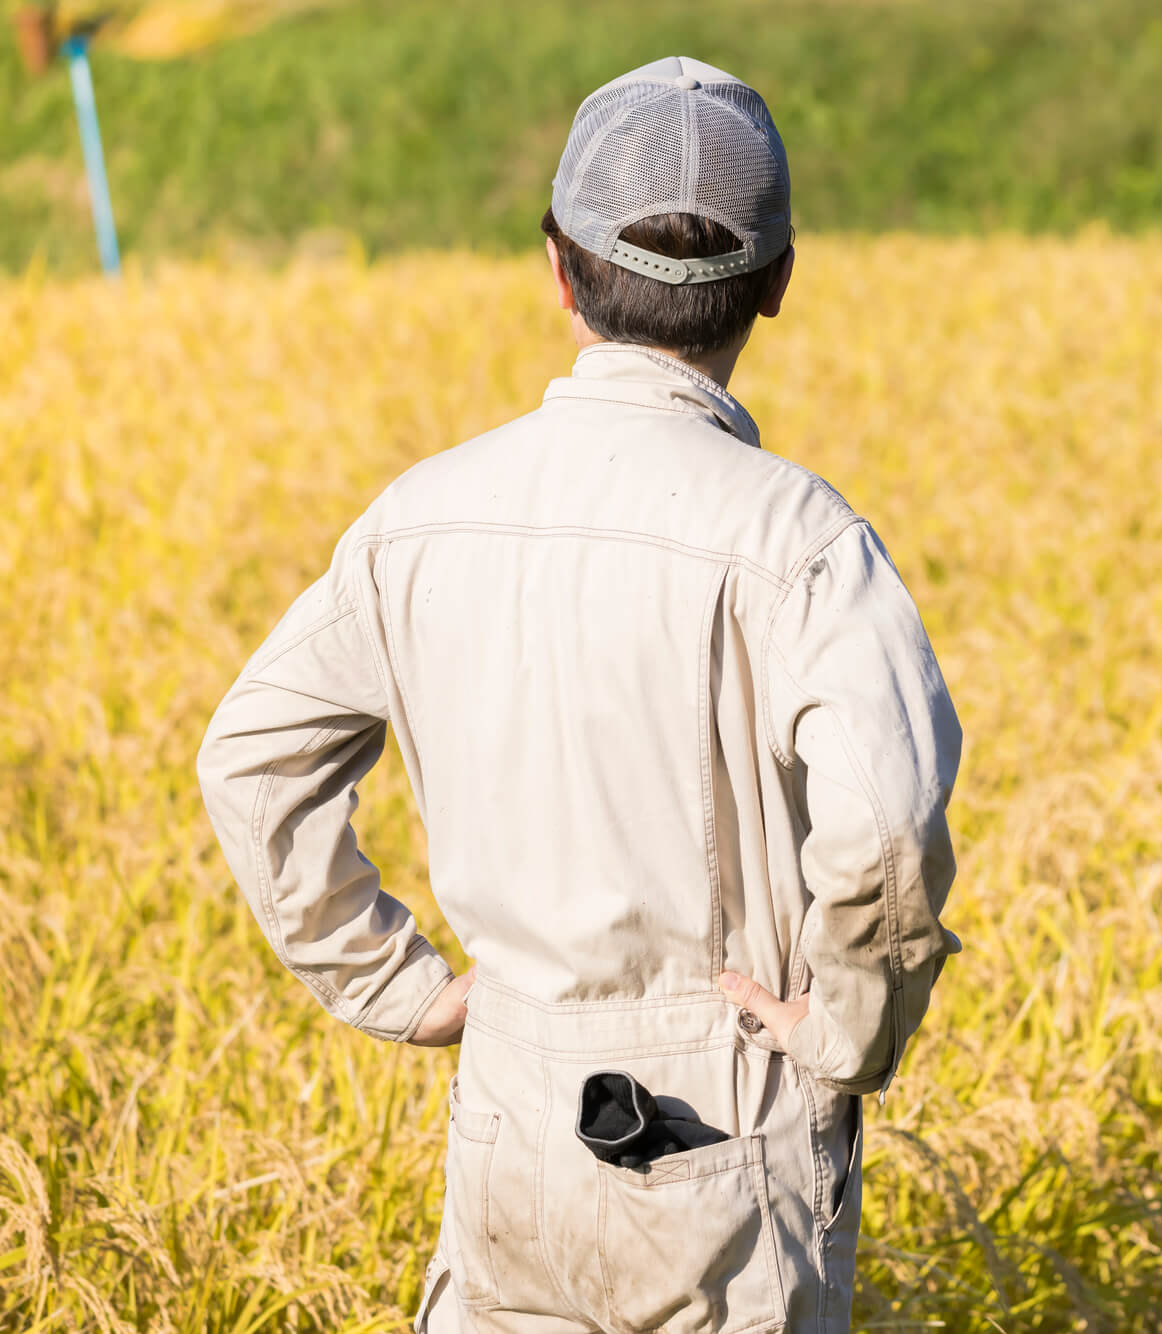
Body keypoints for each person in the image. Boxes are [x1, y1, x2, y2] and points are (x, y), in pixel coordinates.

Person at [196, 56, 962, 1334]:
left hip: (512, 1104)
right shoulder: (803, 542)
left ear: (557, 267)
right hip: (729, 1109)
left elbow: (253, 756)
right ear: (778, 282)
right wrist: (844, 1031)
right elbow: (885, 823)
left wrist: (392, 983)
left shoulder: (420, 516)